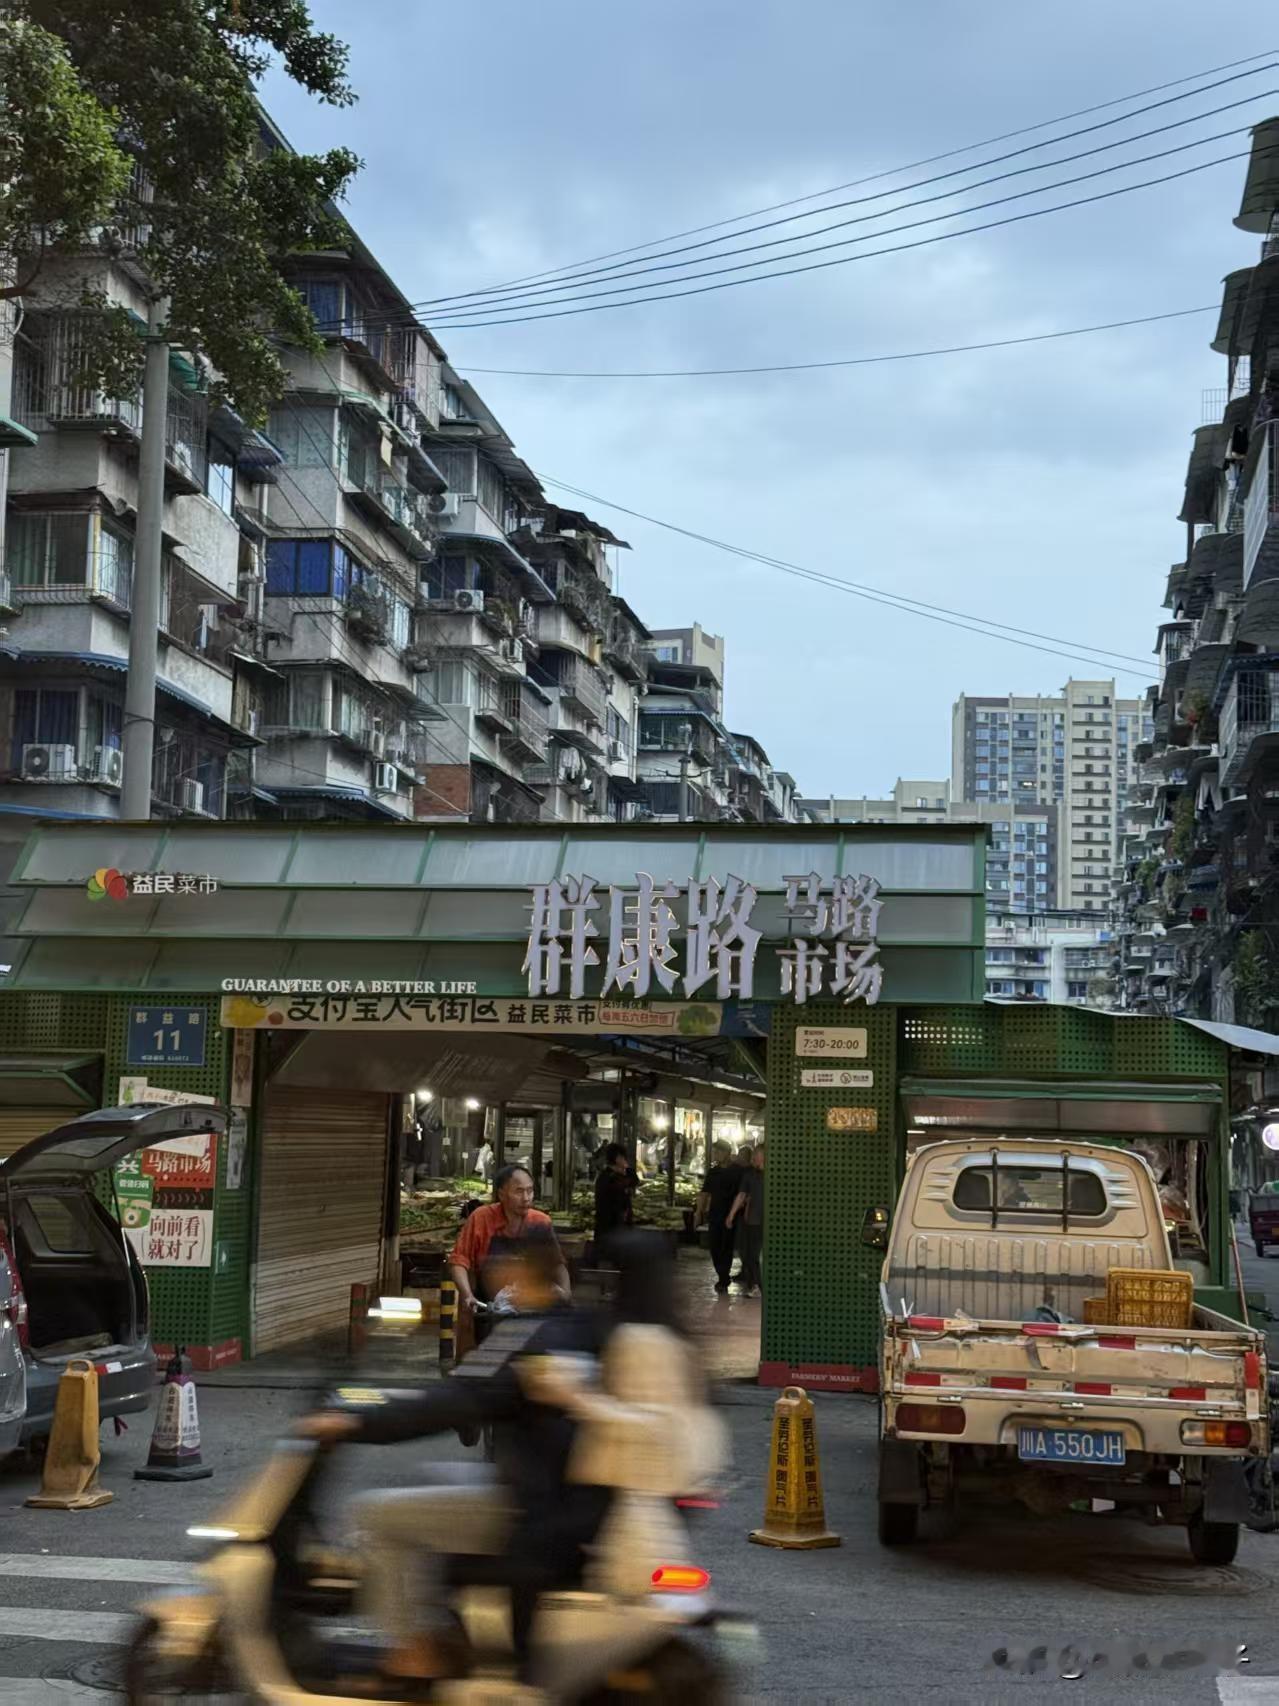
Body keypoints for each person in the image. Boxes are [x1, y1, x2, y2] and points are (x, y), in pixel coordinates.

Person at [319, 1231, 606, 1686]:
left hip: (530, 1511)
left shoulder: (521, 1337)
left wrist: (354, 1423)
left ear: (510, 1272)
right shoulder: (577, 1327)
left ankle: (415, 1647)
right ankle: (454, 1623)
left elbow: (452, 1401)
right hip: (565, 1502)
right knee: (439, 1475)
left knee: (374, 1514)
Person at [449, 1164, 569, 1345]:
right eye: (519, 1192)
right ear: (501, 1194)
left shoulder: (541, 1221)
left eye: (530, 1191)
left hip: (530, 1309)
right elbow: (459, 1260)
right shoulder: (481, 1217)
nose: (526, 1198)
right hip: (486, 1309)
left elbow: (557, 1264)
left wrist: (566, 1295)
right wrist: (467, 1295)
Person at [697, 1141, 742, 1293]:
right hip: (715, 1214)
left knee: (726, 1247)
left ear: (727, 1153)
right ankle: (722, 1275)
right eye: (714, 1152)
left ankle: (723, 1278)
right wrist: (699, 1211)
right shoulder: (713, 1172)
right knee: (714, 1247)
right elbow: (704, 1193)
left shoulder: (737, 1171)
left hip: (731, 1215)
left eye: (718, 1152)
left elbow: (743, 1194)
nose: (716, 1155)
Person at [727, 1143, 765, 1295]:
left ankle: (758, 1286)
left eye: (757, 1154)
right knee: (749, 1255)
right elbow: (741, 1195)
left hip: (767, 1223)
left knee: (757, 1256)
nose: (753, 1157)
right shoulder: (749, 1175)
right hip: (752, 1221)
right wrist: (731, 1215)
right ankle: (754, 1285)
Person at [593, 1142, 634, 1247]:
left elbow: (634, 1181)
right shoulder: (611, 1179)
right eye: (624, 1158)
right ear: (618, 1159)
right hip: (611, 1231)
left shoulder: (609, 1177)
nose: (626, 1161)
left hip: (611, 1231)